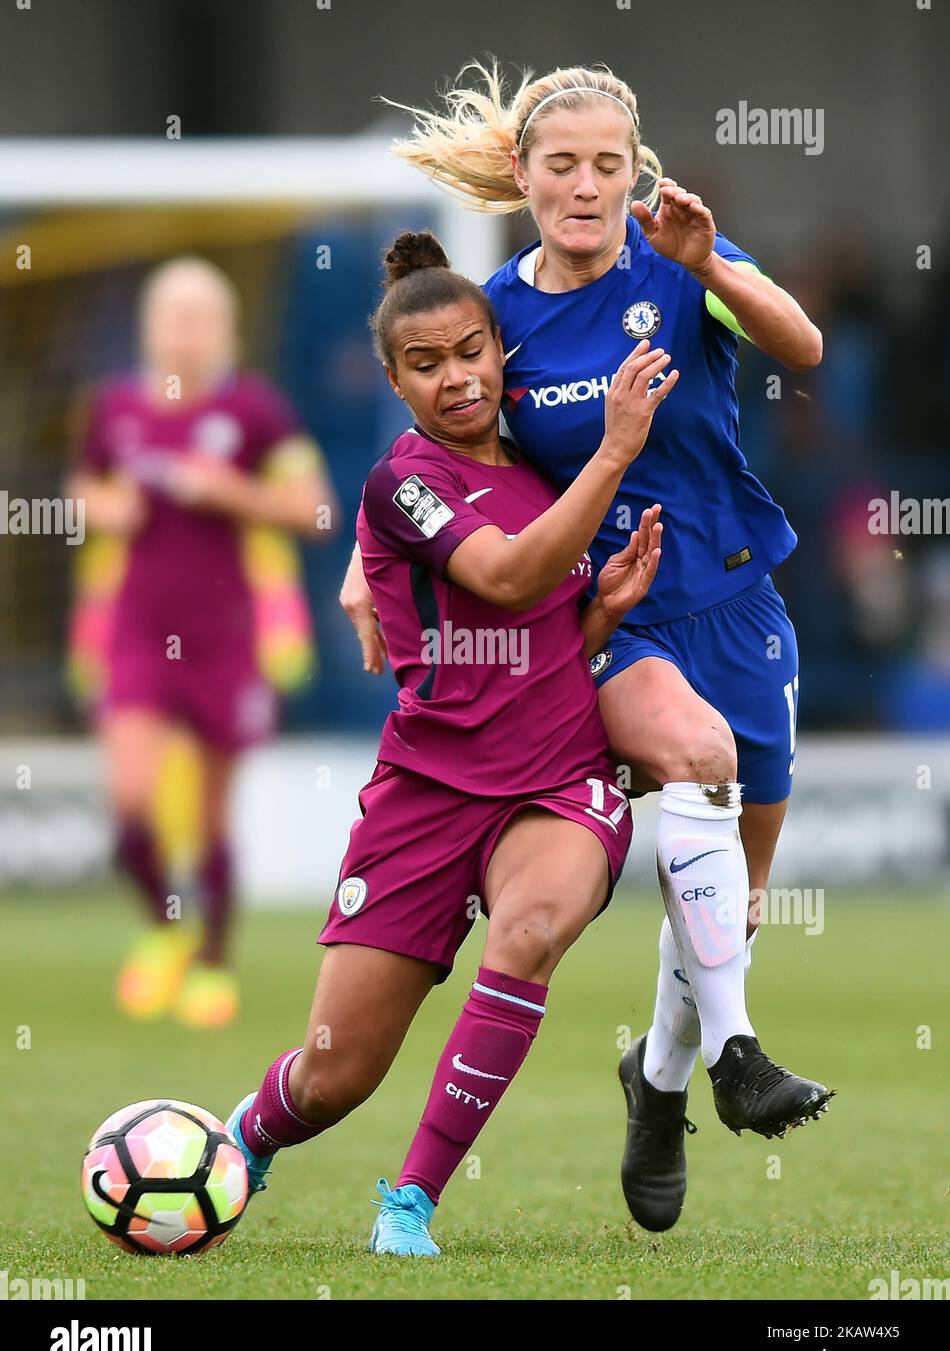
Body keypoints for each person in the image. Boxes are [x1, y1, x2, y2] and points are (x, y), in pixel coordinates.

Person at [341, 60, 833, 1232]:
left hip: (739, 600)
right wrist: (364, 563)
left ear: (632, 168)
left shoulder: (682, 259)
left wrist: (711, 259)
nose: (583, 183)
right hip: (606, 616)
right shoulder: (496, 316)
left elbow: (802, 346)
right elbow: (433, 457)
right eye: (559, 163)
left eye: (604, 163)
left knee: (734, 908)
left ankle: (656, 1081)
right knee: (694, 751)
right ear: (522, 175)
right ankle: (734, 1054)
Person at [225, 228, 669, 1257]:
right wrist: (613, 451)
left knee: (525, 936)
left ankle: (409, 1200)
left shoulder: (542, 466)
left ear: (498, 351)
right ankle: (244, 1137)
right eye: (425, 365)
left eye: (470, 351)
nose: (456, 378)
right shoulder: (400, 484)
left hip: (556, 780)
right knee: (332, 1075)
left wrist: (599, 611)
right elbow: (507, 579)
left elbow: (535, 630)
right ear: (392, 379)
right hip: (426, 791)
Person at [67, 257, 337, 1027]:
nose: (185, 329)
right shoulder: (115, 406)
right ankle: (162, 925)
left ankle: (213, 962)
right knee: (129, 800)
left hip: (227, 636)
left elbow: (315, 510)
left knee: (215, 816)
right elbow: (84, 486)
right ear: (150, 325)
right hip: (137, 633)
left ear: (227, 327)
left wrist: (233, 493)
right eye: (172, 314)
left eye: (200, 315)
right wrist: (103, 508)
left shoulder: (256, 411)